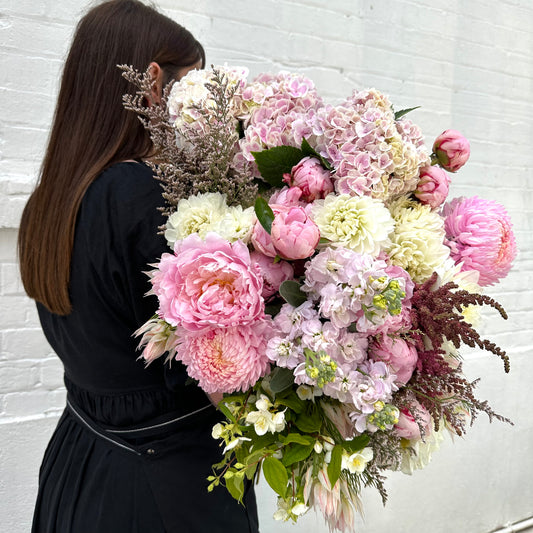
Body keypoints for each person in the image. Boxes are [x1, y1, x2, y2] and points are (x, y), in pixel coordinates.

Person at [18, 1, 258, 532]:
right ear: (153, 82)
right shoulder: (140, 196)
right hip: (163, 490)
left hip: (79, 465)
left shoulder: (48, 202)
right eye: (190, 86)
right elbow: (216, 365)